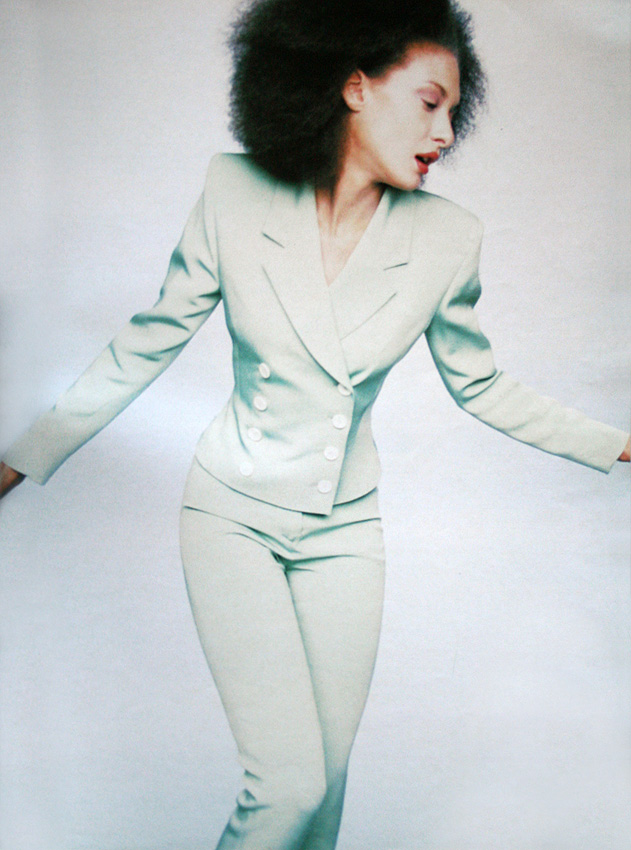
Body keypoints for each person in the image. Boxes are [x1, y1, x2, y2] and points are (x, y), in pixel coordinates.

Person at [1, 0, 629, 847]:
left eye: (454, 110)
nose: (445, 133)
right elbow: (148, 340)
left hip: (345, 532)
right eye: (429, 102)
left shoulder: (447, 239)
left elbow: (482, 386)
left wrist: (615, 443)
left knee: (323, 795)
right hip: (232, 517)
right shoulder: (234, 192)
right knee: (286, 787)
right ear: (353, 87)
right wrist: (24, 456)